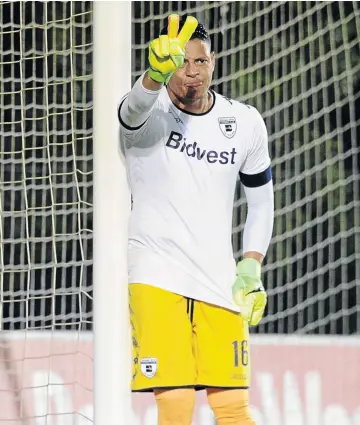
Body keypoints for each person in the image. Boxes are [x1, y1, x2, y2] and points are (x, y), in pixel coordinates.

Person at [118, 13, 274, 425]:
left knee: (232, 407)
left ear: (214, 62)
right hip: (155, 273)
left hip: (219, 279)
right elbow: (132, 108)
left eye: (199, 62)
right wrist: (152, 76)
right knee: (176, 401)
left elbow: (260, 201)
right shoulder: (146, 117)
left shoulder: (244, 123)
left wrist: (252, 265)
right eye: (181, 64)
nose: (191, 73)